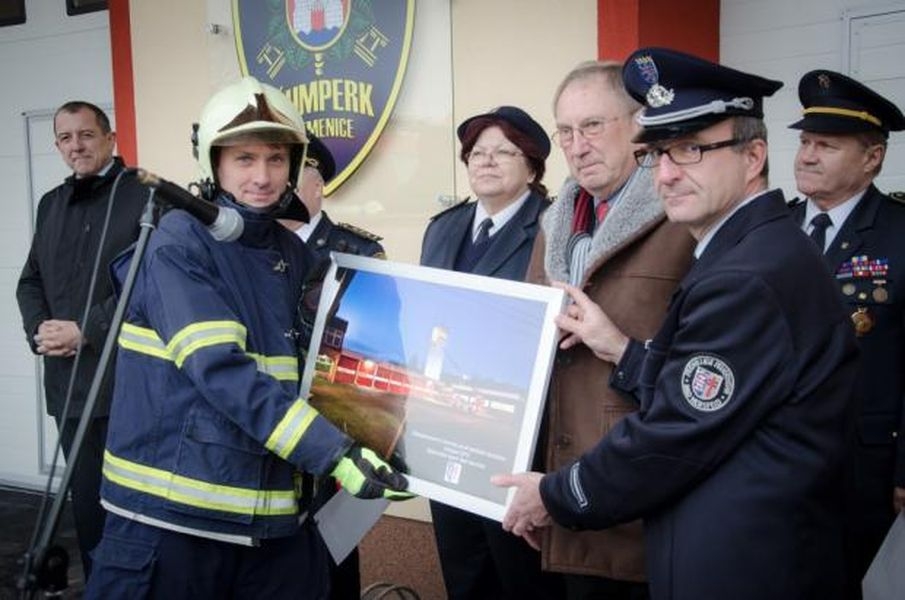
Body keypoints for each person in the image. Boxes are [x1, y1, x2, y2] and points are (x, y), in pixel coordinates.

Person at [494, 47, 860, 600]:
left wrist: (557, 494)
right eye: (660, 152)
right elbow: (699, 384)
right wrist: (622, 349)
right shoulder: (741, 249)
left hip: (747, 565)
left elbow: (676, 431)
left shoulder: (746, 274)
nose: (666, 173)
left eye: (691, 150)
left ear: (753, 155)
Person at [84, 76, 409, 599]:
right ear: (212, 163)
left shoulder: (291, 252)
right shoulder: (177, 243)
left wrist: (388, 426)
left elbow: (325, 367)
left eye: (277, 160)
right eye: (244, 159)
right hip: (176, 522)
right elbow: (222, 370)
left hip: (273, 522)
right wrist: (336, 452)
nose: (262, 176)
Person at [524, 60, 695, 600]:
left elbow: (703, 373)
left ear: (639, 125)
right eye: (566, 132)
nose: (577, 146)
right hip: (565, 485)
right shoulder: (554, 223)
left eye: (593, 126)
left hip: (643, 494)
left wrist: (616, 342)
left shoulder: (683, 221)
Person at [420, 105, 563, 599]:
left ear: (532, 166)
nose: (486, 161)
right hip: (444, 427)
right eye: (477, 152)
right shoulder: (443, 227)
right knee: (463, 567)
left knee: (518, 572)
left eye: (503, 151)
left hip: (514, 431)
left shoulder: (552, 229)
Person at [16, 101, 147, 579]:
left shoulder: (145, 197)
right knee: (88, 508)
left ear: (110, 138)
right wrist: (41, 330)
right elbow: (29, 281)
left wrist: (84, 330)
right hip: (67, 388)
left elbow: (148, 284)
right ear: (56, 145)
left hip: (125, 387)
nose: (77, 146)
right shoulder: (51, 203)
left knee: (129, 509)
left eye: (87, 135)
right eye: (66, 138)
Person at [787, 69, 905, 599]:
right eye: (806, 142)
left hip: (863, 466)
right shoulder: (774, 227)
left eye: (826, 145)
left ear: (873, 157)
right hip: (774, 460)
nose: (807, 156)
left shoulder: (899, 233)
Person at [280, 133, 383, 600]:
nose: (277, 180)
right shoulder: (252, 248)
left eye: (291, 169)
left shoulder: (356, 252)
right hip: (269, 432)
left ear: (319, 185)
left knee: (331, 564)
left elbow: (376, 345)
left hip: (332, 436)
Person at [280, 132, 385, 261]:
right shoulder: (251, 244)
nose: (279, 183)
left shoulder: (360, 253)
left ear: (318, 187)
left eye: (291, 175)